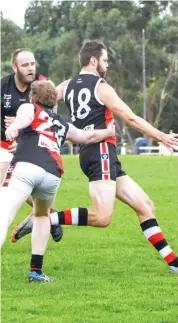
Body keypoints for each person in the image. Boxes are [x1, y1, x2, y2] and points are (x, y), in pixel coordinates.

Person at [13, 39, 178, 274]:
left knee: (145, 206)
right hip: (100, 151)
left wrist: (20, 117)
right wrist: (162, 136)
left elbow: (43, 100)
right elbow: (130, 118)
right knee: (102, 217)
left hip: (96, 154)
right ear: (94, 60)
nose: (107, 65)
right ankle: (47, 219)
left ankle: (173, 262)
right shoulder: (101, 87)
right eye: (105, 60)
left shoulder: (67, 86)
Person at [0, 80, 115, 282]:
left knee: (4, 215)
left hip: (27, 167)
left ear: (33, 97)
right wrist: (109, 132)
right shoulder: (62, 123)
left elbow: (25, 118)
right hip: (52, 175)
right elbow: (86, 137)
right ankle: (36, 271)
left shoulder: (29, 107)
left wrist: (14, 128)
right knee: (43, 216)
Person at [0, 48, 63, 242]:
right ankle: (48, 214)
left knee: (6, 185)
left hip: (31, 146)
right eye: (25, 65)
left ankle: (44, 215)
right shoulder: (3, 87)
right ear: (15, 68)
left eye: (32, 64)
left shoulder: (43, 85)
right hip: (5, 143)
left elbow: (50, 117)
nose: (30, 69)